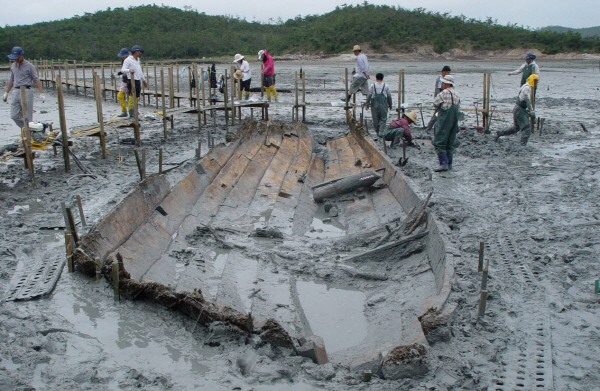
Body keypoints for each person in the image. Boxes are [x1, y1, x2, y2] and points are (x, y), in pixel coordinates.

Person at [3, 47, 45, 129]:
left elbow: (36, 79)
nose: (16, 59)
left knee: (27, 117)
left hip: (26, 90)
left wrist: (41, 93)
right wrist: (6, 92)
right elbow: (11, 80)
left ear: (22, 55)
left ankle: (29, 134)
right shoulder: (13, 66)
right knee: (14, 115)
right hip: (16, 91)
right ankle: (28, 129)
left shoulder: (29, 66)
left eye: (17, 57)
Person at [494, 74, 538, 146]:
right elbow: (527, 98)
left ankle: (501, 133)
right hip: (520, 109)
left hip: (518, 109)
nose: (536, 83)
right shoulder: (527, 88)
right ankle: (522, 145)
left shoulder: (524, 86)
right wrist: (531, 110)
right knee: (526, 128)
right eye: (535, 81)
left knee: (516, 128)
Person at [432, 75, 460, 172]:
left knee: (440, 141)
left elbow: (435, 102)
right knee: (449, 142)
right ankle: (449, 163)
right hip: (454, 120)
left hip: (444, 120)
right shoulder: (456, 94)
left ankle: (443, 163)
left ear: (446, 84)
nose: (442, 84)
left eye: (443, 83)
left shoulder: (444, 93)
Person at [121, 45, 148, 118]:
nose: (140, 53)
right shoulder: (128, 60)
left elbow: (139, 70)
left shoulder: (138, 60)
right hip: (131, 80)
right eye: (139, 52)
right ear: (135, 52)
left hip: (138, 80)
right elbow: (123, 70)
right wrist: (129, 70)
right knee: (132, 96)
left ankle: (135, 110)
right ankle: (131, 112)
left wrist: (144, 80)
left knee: (137, 96)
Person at [425, 65, 451, 132]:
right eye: (448, 73)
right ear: (444, 72)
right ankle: (428, 129)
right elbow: (438, 91)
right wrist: (439, 101)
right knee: (436, 115)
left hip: (442, 100)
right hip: (440, 101)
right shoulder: (440, 80)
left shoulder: (443, 79)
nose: (448, 74)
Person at [116, 48, 130, 117]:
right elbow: (123, 70)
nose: (123, 57)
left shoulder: (131, 61)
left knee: (132, 96)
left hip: (131, 80)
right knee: (120, 95)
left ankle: (133, 111)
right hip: (124, 80)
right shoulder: (123, 61)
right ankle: (124, 111)